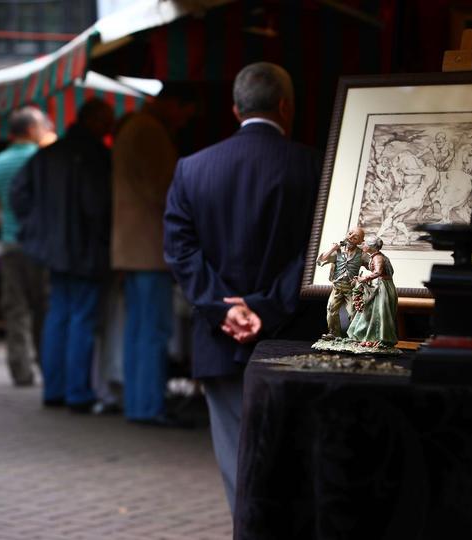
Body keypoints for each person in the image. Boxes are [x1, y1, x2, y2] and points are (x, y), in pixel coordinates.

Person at [163, 63, 320, 513]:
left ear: (235, 109)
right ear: (287, 106)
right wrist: (264, 308)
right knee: (294, 459)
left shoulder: (191, 169)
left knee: (237, 464)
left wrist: (223, 308)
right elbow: (317, 252)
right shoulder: (315, 168)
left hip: (219, 338)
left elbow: (180, 251)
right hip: (295, 337)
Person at [11, 98, 114, 411]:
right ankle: (77, 392)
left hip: (53, 249)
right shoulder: (96, 155)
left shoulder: (48, 153)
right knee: (81, 318)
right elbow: (98, 207)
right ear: (95, 121)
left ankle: (54, 389)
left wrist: (37, 230)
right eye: (107, 120)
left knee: (58, 314)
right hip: (84, 250)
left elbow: (18, 194)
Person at [111, 86, 196, 426]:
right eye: (186, 113)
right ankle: (147, 406)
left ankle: (140, 403)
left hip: (132, 247)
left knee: (139, 330)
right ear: (173, 103)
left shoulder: (135, 127)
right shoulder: (149, 130)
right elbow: (164, 189)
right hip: (148, 247)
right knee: (152, 331)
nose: (185, 121)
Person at [0, 106, 55, 386]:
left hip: (9, 243)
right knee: (44, 308)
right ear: (31, 130)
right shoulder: (43, 158)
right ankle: (47, 366)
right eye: (43, 126)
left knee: (15, 309)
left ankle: (21, 371)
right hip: (40, 244)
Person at [316, 226, 368, 337]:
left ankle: (355, 336)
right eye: (350, 234)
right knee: (331, 310)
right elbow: (320, 261)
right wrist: (332, 249)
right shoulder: (338, 251)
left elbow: (374, 265)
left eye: (356, 237)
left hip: (351, 289)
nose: (351, 238)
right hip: (337, 288)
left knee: (353, 312)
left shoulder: (362, 254)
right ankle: (334, 333)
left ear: (360, 241)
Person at [347, 236, 398, 346]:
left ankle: (377, 337)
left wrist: (363, 279)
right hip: (378, 285)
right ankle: (366, 336)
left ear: (371, 247)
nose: (363, 245)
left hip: (381, 288)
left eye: (365, 244)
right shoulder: (375, 256)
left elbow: (378, 272)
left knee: (377, 311)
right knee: (370, 311)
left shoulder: (378, 258)